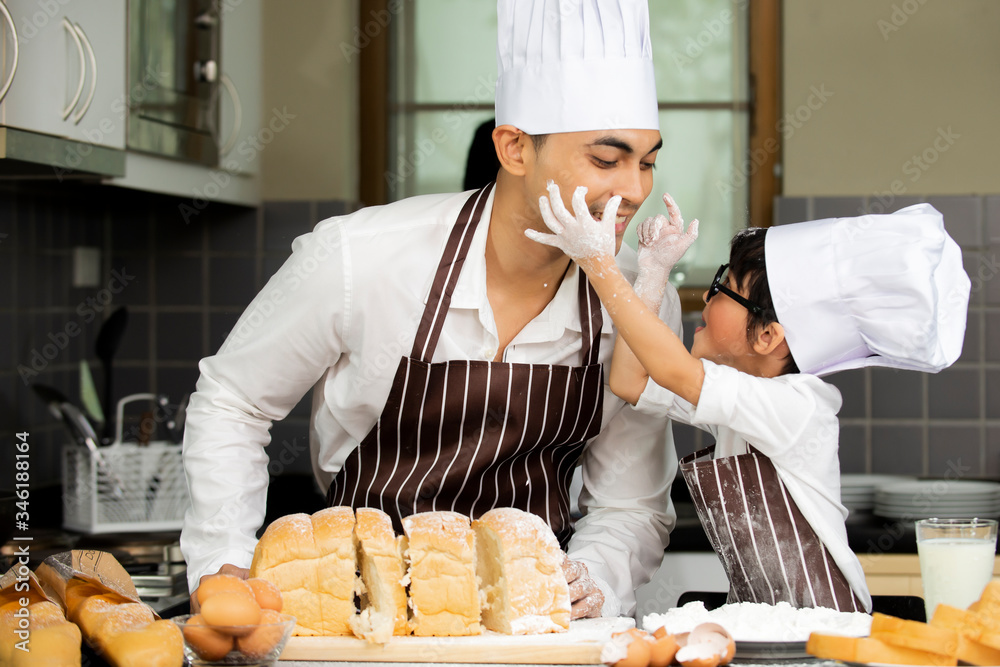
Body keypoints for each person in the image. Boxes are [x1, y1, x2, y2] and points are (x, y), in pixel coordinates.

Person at [181, 0, 679, 620]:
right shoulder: (360, 258)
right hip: (363, 616)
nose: (634, 189)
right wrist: (221, 558)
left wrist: (595, 577)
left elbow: (632, 501)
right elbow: (235, 400)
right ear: (515, 147)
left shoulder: (637, 305)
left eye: (648, 161)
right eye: (607, 160)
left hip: (528, 624)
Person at [527, 184, 971, 611]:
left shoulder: (797, 407)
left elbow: (671, 369)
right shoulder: (743, 400)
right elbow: (631, 379)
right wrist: (654, 273)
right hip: (764, 622)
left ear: (767, 335)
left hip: (827, 626)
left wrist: (599, 264)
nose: (706, 296)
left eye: (723, 287)